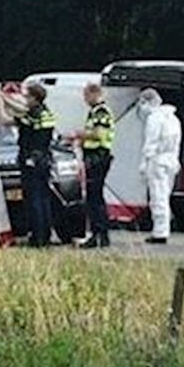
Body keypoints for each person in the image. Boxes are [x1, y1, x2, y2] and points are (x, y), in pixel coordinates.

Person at [0, 84, 58, 248]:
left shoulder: (31, 116)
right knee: (44, 199)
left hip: (30, 160)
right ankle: (45, 236)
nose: (25, 99)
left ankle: (37, 238)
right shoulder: (45, 112)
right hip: (44, 159)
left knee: (34, 200)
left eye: (27, 96)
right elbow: (21, 108)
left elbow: (4, 120)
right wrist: (5, 98)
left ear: (34, 98)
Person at [137, 88, 182, 245]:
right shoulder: (173, 118)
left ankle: (160, 232)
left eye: (143, 103)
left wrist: (144, 162)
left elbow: (151, 142)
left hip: (157, 161)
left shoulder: (154, 119)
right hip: (171, 161)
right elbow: (177, 144)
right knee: (165, 196)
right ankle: (163, 229)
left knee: (158, 197)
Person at [75, 83, 115, 249]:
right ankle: (99, 235)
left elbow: (99, 134)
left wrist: (80, 135)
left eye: (86, 96)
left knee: (95, 198)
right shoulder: (95, 111)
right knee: (94, 197)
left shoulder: (101, 111)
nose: (85, 100)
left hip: (97, 157)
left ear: (93, 94)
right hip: (95, 157)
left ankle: (99, 234)